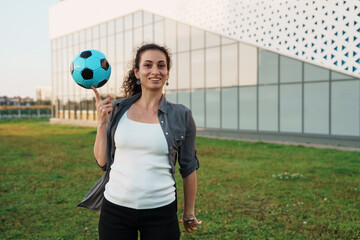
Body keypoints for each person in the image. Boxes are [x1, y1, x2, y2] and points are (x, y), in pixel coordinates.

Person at [78, 43, 202, 239]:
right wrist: (101, 123)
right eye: (148, 65)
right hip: (115, 210)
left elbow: (189, 168)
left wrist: (188, 213)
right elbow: (102, 162)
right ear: (137, 72)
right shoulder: (117, 110)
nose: (155, 71)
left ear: (168, 73)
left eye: (161, 66)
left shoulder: (182, 115)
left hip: (161, 212)